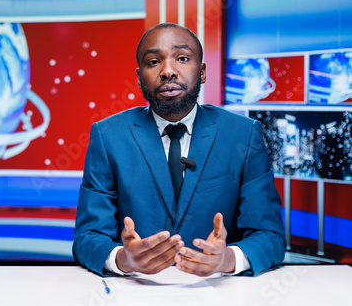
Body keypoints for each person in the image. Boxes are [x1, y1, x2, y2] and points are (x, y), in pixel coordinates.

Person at [72, 23, 285, 277]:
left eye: (182, 58)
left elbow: (270, 236)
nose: (168, 71)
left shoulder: (243, 134)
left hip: (219, 292)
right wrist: (122, 259)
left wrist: (227, 259)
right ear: (139, 78)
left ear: (203, 71)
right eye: (153, 62)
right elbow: (87, 238)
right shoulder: (108, 136)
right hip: (135, 292)